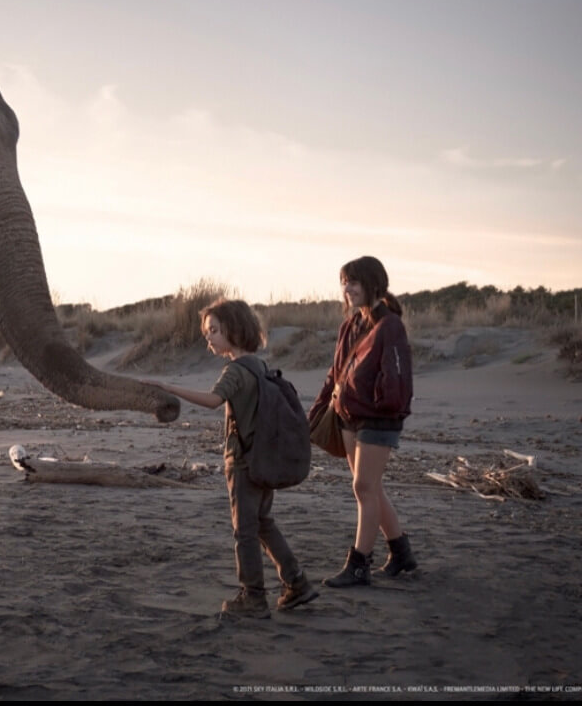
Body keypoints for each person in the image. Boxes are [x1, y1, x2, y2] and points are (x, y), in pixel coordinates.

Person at [149, 298, 318, 618]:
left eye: (214, 330)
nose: (208, 337)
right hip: (264, 457)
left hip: (242, 463)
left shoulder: (236, 371)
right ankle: (297, 582)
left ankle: (253, 597)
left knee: (245, 531)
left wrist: (166, 386)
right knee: (264, 523)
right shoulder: (259, 365)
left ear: (234, 330)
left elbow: (213, 400)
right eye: (206, 332)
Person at [309, 256, 417, 587]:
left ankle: (359, 566)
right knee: (368, 488)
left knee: (363, 487)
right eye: (344, 282)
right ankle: (401, 554)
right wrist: (317, 410)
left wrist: (382, 405)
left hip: (378, 419)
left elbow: (397, 376)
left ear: (372, 284)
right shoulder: (349, 325)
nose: (347, 289)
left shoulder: (391, 326)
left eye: (353, 282)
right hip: (347, 415)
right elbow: (335, 372)